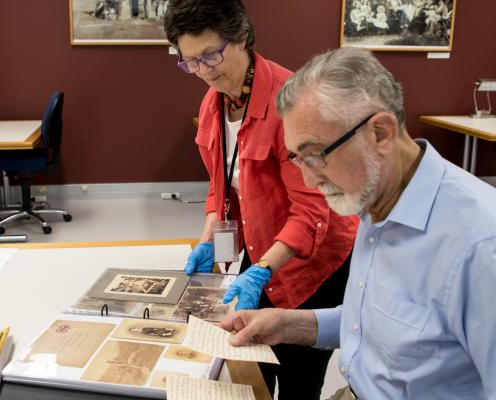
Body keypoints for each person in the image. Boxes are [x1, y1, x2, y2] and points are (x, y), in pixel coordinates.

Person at [220, 46, 496, 399]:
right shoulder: (375, 196)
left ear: (380, 133)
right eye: (297, 158)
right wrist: (287, 323)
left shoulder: (480, 248)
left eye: (316, 155)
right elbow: (373, 321)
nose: (307, 180)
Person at [164, 1, 358, 398]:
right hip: (263, 240)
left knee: (297, 374)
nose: (203, 70)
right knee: (250, 359)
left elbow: (310, 211)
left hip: (316, 258)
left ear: (241, 37)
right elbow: (222, 184)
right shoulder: (214, 99)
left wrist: (261, 270)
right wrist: (207, 239)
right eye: (189, 62)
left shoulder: (292, 104)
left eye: (211, 55)